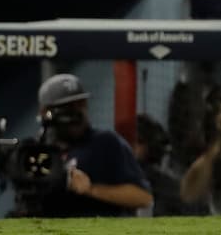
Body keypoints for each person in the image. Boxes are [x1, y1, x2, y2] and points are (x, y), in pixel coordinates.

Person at [30, 73, 153, 217]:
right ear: (47, 113)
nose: (77, 113)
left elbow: (143, 198)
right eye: (68, 108)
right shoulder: (37, 150)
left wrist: (91, 189)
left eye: (81, 104)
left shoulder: (106, 143)